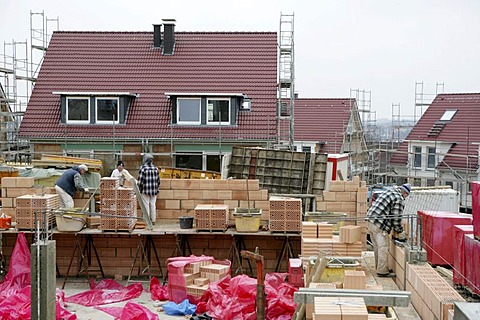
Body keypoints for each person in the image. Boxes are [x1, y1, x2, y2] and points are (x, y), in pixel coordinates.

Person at [366, 183, 410, 277]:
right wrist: (400, 232)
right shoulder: (399, 198)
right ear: (405, 193)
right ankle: (382, 271)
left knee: (377, 246)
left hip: (370, 220)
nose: (405, 198)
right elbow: (396, 218)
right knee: (383, 247)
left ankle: (380, 268)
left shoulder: (390, 190)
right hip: (379, 223)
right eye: (406, 195)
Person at [137, 154, 160, 225]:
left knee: (146, 205)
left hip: (145, 191)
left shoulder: (143, 168)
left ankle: (147, 220)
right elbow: (158, 181)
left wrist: (139, 189)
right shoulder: (156, 168)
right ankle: (153, 220)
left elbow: (140, 181)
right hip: (154, 191)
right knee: (153, 205)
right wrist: (156, 188)